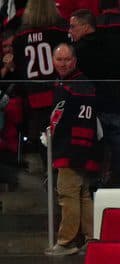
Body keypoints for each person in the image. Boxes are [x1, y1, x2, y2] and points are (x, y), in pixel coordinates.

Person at [3, 0, 67, 175]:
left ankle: (50, 181)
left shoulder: (19, 37)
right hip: (59, 94)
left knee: (44, 143)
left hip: (35, 99)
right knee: (62, 142)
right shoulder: (60, 31)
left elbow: (20, 72)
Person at [67, 10, 120, 187]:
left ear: (86, 27)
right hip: (119, 106)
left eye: (73, 27)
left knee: (94, 162)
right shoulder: (118, 42)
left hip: (93, 112)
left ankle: (97, 205)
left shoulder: (78, 51)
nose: (70, 31)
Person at [46, 42, 99, 256]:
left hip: (72, 149)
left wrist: (73, 149)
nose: (63, 63)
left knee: (68, 195)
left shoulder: (76, 85)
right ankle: (91, 240)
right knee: (83, 195)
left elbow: (80, 121)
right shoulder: (71, 83)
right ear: (52, 61)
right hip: (81, 149)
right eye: (59, 59)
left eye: (67, 59)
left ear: (75, 60)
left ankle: (66, 242)